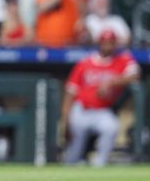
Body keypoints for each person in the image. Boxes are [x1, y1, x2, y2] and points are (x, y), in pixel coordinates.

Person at [60, 29, 141, 166]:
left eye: (110, 43)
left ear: (115, 44)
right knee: (75, 147)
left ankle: (99, 164)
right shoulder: (85, 62)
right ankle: (70, 164)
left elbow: (135, 74)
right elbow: (70, 93)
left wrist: (112, 81)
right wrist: (66, 119)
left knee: (111, 126)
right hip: (82, 110)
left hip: (102, 111)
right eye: (104, 43)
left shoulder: (122, 59)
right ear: (99, 43)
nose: (107, 46)